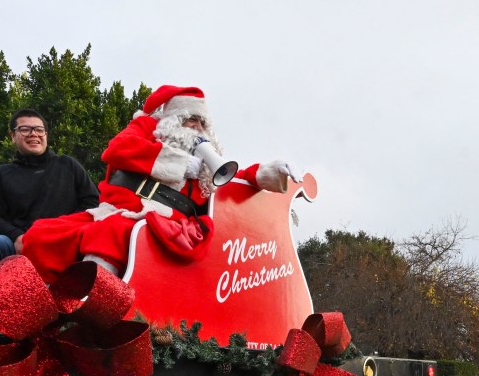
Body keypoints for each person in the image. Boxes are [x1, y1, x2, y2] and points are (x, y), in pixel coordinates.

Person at [20, 85, 292, 281]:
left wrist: (267, 172)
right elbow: (117, 149)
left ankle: (93, 297)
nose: (196, 126)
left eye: (201, 121)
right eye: (190, 119)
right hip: (116, 209)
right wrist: (178, 163)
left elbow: (235, 178)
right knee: (42, 233)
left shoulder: (208, 158)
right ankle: (49, 299)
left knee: (112, 230)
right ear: (173, 119)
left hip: (167, 220)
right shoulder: (149, 129)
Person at [0, 109, 99, 267]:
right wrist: (17, 236)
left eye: (39, 130)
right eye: (25, 129)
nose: (33, 134)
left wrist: (62, 231)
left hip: (65, 242)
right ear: (12, 136)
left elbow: (93, 203)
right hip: (21, 246)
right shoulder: (1, 174)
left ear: (46, 135)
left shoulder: (68, 165)